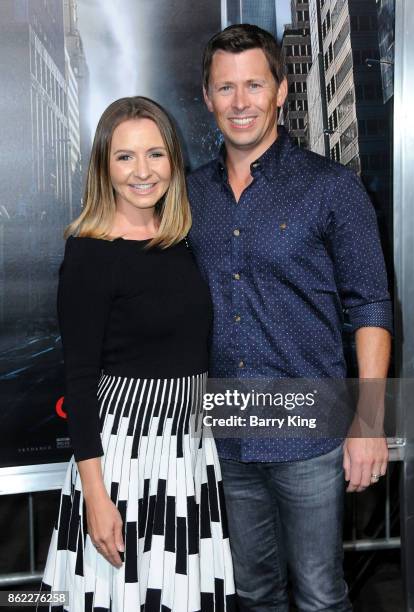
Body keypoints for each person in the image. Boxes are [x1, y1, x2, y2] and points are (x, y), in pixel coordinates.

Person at [187, 25, 392, 612]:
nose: (240, 101)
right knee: (253, 593)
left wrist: (369, 423)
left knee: (322, 596)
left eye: (254, 84)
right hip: (225, 434)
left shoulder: (332, 189)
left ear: (281, 90)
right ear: (208, 97)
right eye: (226, 88)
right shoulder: (190, 194)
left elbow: (370, 305)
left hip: (309, 431)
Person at [38, 96, 235, 611]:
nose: (142, 172)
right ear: (104, 166)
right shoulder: (89, 253)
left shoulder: (183, 243)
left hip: (188, 453)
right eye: (125, 157)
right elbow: (79, 382)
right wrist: (96, 498)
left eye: (154, 154)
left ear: (174, 159)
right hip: (125, 461)